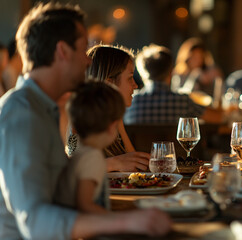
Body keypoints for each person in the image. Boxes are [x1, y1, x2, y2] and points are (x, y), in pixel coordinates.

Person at [0, 3, 171, 239]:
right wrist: (126, 221)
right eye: (83, 50)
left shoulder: (46, 107)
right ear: (63, 51)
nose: (89, 61)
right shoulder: (23, 113)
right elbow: (36, 222)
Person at [67, 44, 150, 172]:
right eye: (129, 78)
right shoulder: (76, 120)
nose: (136, 85)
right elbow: (71, 168)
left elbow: (135, 171)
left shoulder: (112, 120)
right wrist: (114, 163)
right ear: (109, 83)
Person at [56, 81, 125, 213]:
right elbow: (85, 205)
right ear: (112, 127)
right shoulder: (92, 158)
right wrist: (114, 220)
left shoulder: (80, 153)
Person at [124, 44, 223, 124]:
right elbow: (218, 118)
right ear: (171, 72)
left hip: (139, 149)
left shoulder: (132, 103)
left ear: (142, 74)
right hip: (178, 149)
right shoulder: (183, 101)